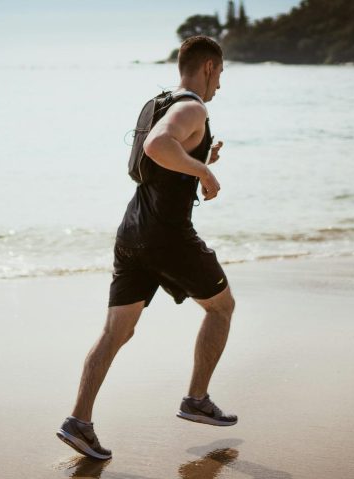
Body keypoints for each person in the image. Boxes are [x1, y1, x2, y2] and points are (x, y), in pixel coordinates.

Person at [56, 36, 237, 460]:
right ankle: (196, 399)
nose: (220, 86)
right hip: (167, 236)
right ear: (209, 67)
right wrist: (204, 174)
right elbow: (158, 146)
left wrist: (197, 160)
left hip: (132, 232)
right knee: (222, 307)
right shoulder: (193, 107)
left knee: (117, 332)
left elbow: (153, 164)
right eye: (221, 75)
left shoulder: (158, 102)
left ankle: (78, 421)